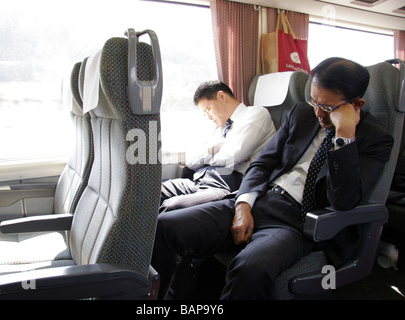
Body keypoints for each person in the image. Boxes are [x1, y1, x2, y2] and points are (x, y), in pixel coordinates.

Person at [151, 57, 394, 299]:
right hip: (259, 201)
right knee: (165, 227)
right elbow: (262, 163)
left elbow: (343, 201)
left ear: (356, 104)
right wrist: (243, 206)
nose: (318, 113)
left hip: (295, 222)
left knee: (250, 268)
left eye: (328, 108)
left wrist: (344, 137)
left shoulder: (375, 139)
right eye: (314, 101)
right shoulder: (301, 113)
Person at [160, 81, 276, 212]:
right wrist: (212, 149)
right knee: (150, 192)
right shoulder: (217, 127)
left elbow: (233, 156)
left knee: (171, 206)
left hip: (225, 184)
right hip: (199, 180)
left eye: (208, 109)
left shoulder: (256, 114)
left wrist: (208, 159)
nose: (208, 117)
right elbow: (191, 162)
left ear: (222, 96)